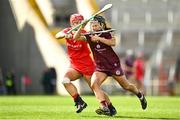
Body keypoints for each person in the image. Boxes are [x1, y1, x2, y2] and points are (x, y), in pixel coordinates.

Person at [74, 15, 147, 116]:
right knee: (94, 84)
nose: (93, 28)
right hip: (100, 67)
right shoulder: (89, 35)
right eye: (92, 26)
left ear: (101, 25)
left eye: (95, 25)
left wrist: (98, 38)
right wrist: (82, 27)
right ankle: (104, 106)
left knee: (126, 86)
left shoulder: (107, 34)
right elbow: (76, 37)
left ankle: (140, 95)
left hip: (113, 65)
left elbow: (113, 43)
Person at [55, 13, 96, 113]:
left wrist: (76, 32)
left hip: (87, 65)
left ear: (82, 23)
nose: (76, 24)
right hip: (75, 66)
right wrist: (65, 35)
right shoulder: (67, 30)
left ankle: (108, 105)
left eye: (79, 22)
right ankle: (79, 101)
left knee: (95, 88)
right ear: (71, 23)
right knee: (65, 81)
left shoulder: (84, 33)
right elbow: (57, 35)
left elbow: (77, 37)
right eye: (74, 22)